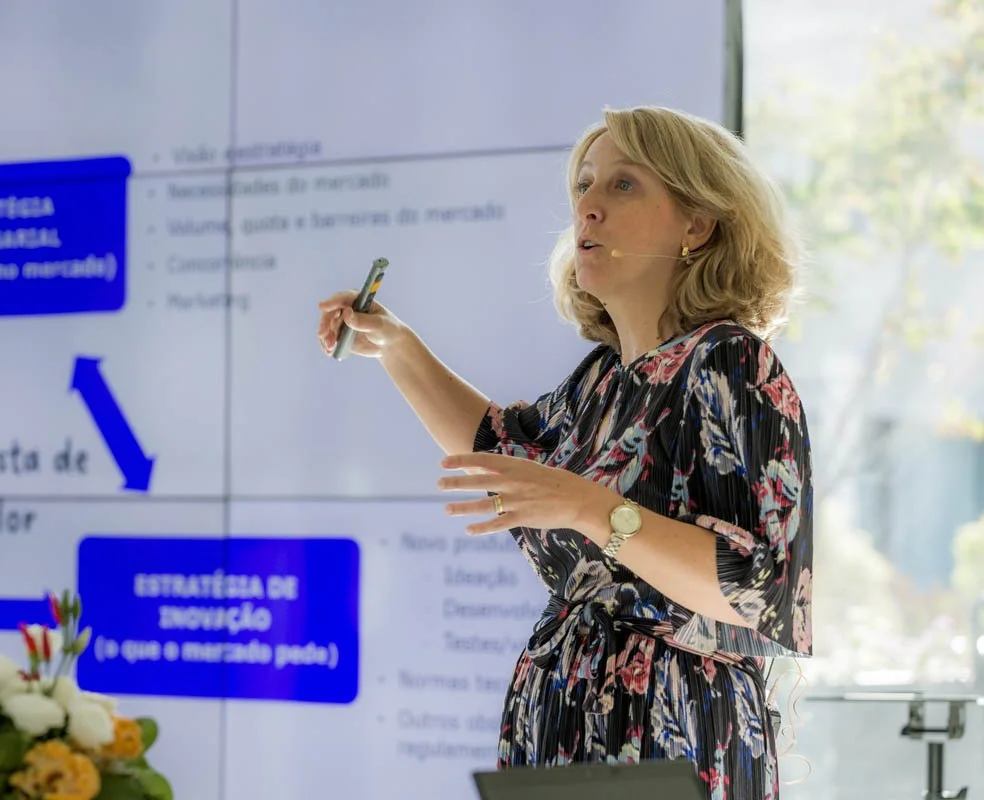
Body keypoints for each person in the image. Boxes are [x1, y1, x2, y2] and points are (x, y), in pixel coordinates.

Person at [316, 105, 812, 800]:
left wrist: (592, 508)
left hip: (672, 736)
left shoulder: (731, 364)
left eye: (624, 185)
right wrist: (396, 347)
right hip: (560, 729)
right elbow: (498, 448)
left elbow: (765, 590)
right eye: (584, 185)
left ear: (697, 225)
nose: (590, 207)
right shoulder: (603, 379)